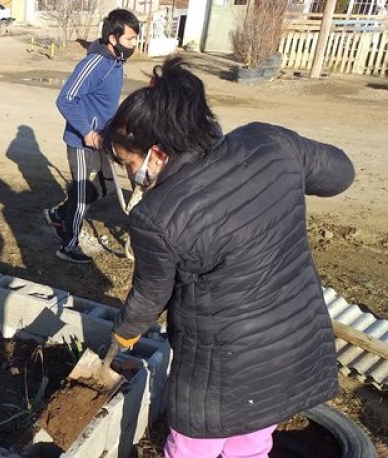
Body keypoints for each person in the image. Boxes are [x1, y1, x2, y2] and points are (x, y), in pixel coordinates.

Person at [105, 57, 354, 458]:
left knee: (190, 449)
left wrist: (123, 334)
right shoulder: (268, 142)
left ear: (157, 152)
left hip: (221, 367)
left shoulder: (157, 216)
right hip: (293, 341)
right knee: (254, 442)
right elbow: (341, 173)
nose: (129, 173)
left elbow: (151, 294)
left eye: (128, 163)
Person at [44, 9, 140, 264]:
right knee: (82, 190)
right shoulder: (94, 63)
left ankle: (59, 213)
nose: (134, 45)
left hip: (103, 137)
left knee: (107, 184)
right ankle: (69, 243)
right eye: (130, 39)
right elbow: (65, 99)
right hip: (83, 141)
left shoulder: (115, 62)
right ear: (113, 38)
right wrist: (86, 131)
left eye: (134, 39)